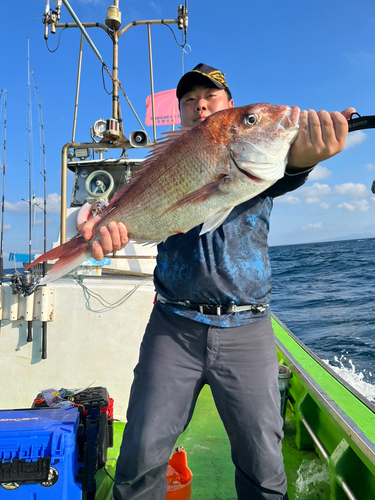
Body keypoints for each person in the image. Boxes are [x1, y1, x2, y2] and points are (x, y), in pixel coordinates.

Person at [81, 64, 354, 500]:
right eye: (188, 100)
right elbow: (128, 197)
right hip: (173, 327)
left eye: (210, 97)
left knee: (264, 463)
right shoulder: (170, 162)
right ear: (181, 113)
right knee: (139, 455)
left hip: (249, 328)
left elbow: (289, 165)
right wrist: (96, 216)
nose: (199, 104)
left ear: (227, 106)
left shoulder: (259, 163)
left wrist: (309, 155)